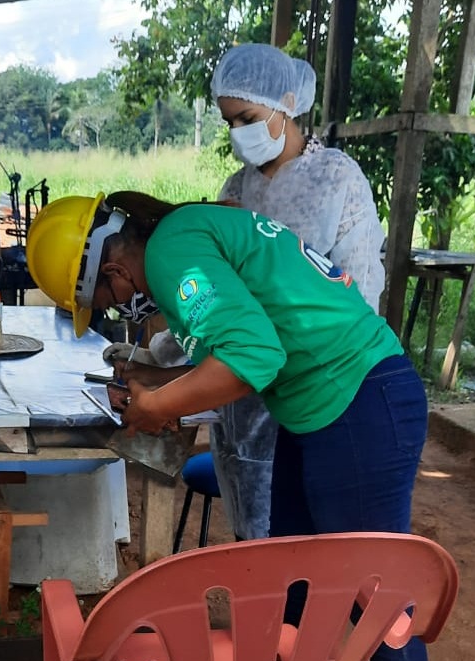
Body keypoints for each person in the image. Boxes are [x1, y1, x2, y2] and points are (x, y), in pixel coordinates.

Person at [26, 190, 429, 661]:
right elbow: (242, 354)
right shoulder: (181, 236)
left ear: (114, 272)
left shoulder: (168, 253)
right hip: (332, 407)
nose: (117, 311)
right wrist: (158, 382)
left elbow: (251, 357)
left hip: (359, 403)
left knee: (379, 606)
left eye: (107, 303)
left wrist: (158, 405)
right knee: (296, 585)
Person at [104, 43, 386, 541]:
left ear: (286, 102)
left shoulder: (335, 178)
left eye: (247, 118)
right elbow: (211, 301)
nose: (238, 133)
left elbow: (357, 288)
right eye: (229, 123)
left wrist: (167, 395)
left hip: (322, 375)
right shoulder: (238, 189)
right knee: (265, 530)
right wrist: (161, 360)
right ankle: (279, 614)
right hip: (250, 381)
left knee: (331, 539)